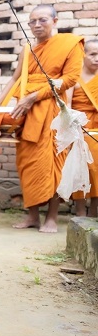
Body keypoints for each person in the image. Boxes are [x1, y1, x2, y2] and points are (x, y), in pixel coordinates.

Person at [0, 5, 84, 233]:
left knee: (54, 163)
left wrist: (35, 96)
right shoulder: (27, 49)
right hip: (24, 111)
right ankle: (32, 216)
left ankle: (52, 218)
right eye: (32, 22)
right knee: (27, 163)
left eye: (42, 20)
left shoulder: (70, 44)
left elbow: (70, 79)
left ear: (55, 20)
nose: (36, 25)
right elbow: (15, 77)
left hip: (53, 110)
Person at [70, 39, 98, 217]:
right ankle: (80, 213)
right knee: (78, 171)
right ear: (84, 55)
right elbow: (67, 106)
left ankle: (94, 213)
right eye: (93, 54)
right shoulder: (74, 79)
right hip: (78, 131)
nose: (97, 58)